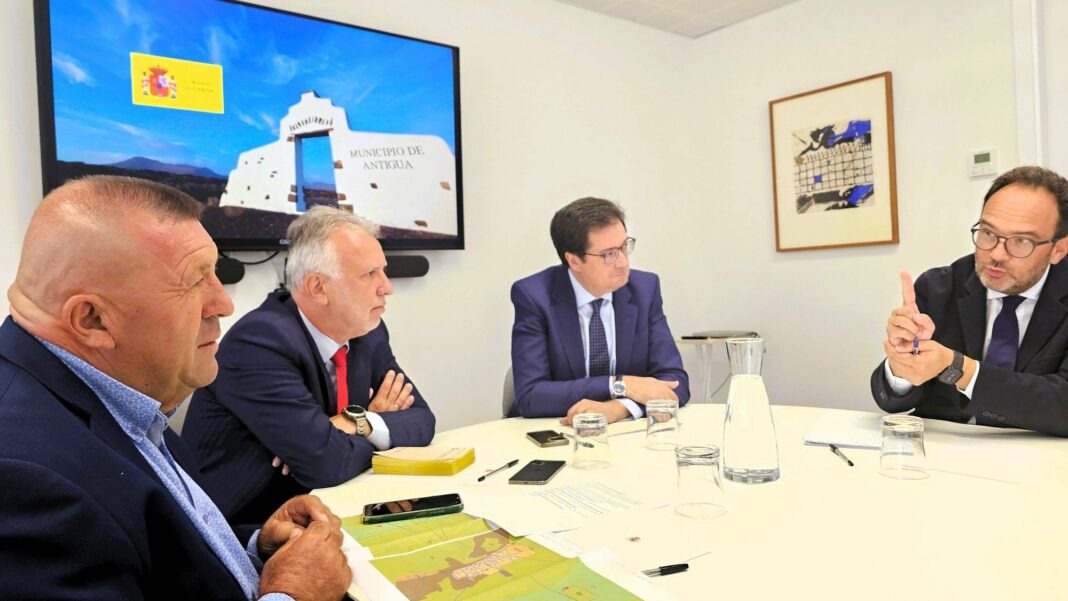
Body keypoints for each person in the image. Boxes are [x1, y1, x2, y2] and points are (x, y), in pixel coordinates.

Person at [0, 176, 350, 600]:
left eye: (215, 273)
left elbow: (151, 560)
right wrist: (294, 593)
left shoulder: (118, 396)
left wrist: (254, 548)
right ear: (93, 320)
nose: (223, 304)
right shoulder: (24, 480)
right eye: (194, 281)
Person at [183, 206, 436, 524]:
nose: (387, 287)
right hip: (247, 528)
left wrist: (358, 424)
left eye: (383, 271)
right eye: (370, 274)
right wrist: (357, 431)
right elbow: (326, 464)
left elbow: (423, 420)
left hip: (332, 508)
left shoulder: (367, 332)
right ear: (318, 287)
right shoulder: (259, 342)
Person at [872, 165, 1068, 437]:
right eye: (988, 233)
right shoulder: (939, 287)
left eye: (1021, 241)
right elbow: (893, 401)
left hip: (1038, 450)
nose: (996, 254)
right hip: (946, 446)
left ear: (1059, 249)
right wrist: (903, 362)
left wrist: (959, 368)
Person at [510, 197, 690, 425]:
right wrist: (620, 384)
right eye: (609, 254)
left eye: (624, 247)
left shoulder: (644, 290)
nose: (623, 262)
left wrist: (618, 408)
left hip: (627, 434)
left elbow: (675, 382)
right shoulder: (534, 296)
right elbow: (531, 396)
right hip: (560, 430)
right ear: (574, 261)